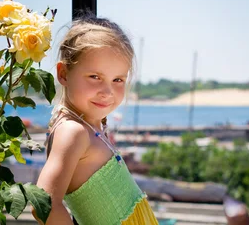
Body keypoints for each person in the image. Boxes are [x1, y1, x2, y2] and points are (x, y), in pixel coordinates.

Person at [34, 16, 158, 225]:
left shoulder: (92, 126)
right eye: (95, 77)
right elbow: (44, 204)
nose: (107, 91)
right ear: (63, 73)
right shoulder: (73, 131)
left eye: (118, 80)